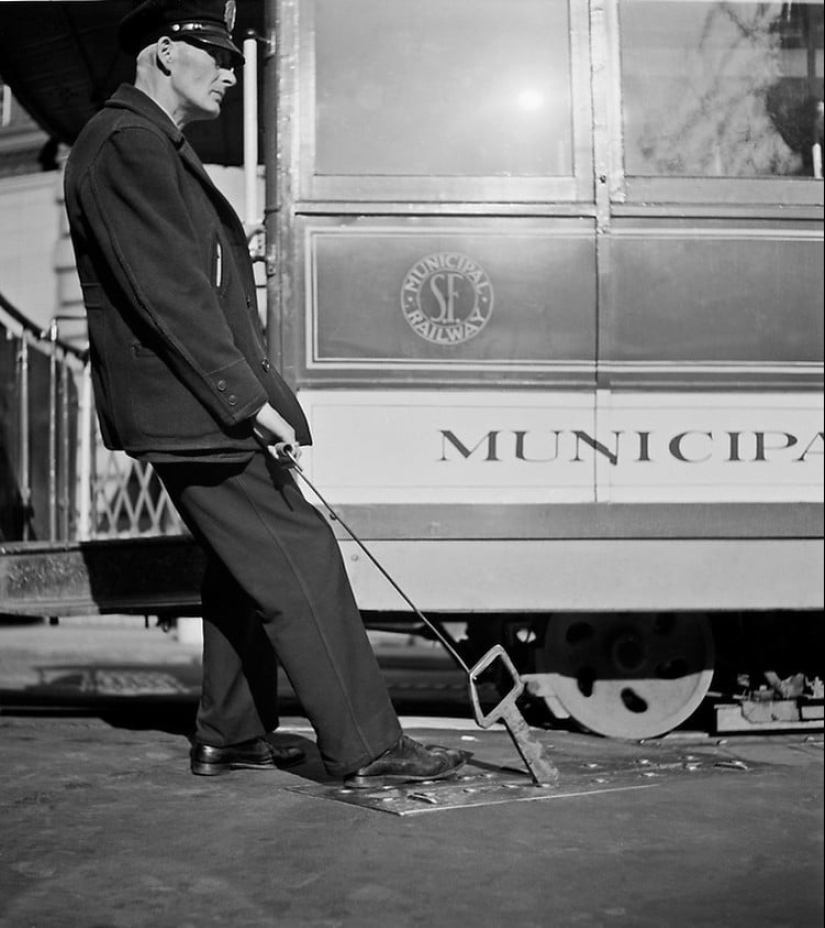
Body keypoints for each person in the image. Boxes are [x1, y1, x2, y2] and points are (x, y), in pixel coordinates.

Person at [64, 0, 466, 788]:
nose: (229, 72)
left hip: (192, 402)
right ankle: (370, 748)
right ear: (162, 53)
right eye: (213, 56)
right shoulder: (127, 143)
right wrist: (247, 401)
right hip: (195, 408)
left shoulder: (144, 143)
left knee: (239, 569)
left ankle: (232, 733)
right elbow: (171, 295)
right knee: (301, 552)